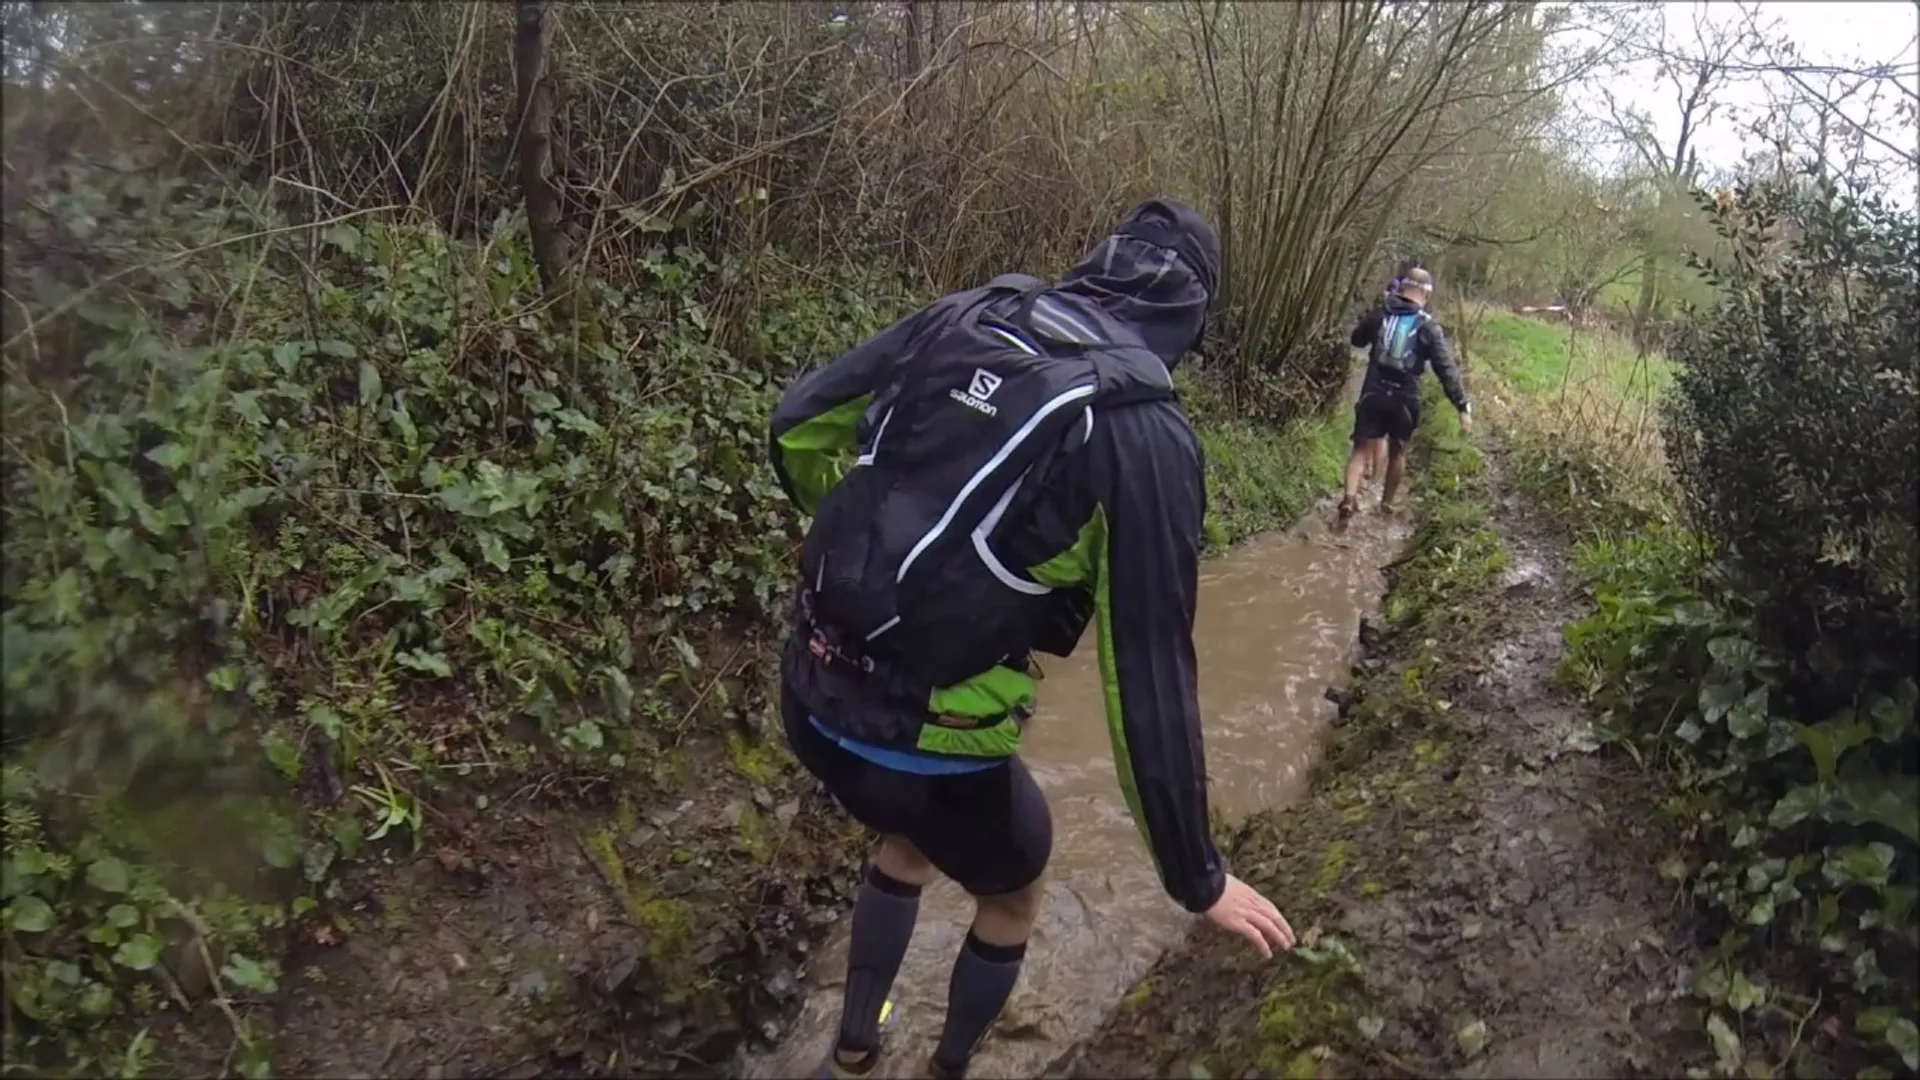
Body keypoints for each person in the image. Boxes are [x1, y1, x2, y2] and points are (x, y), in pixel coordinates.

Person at [767, 199, 1296, 1080]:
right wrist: (1195, 876)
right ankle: (945, 1070)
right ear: (1189, 318)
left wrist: (868, 562)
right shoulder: (1143, 433)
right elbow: (1148, 672)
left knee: (909, 841)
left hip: (810, 689)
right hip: (930, 746)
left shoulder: (969, 313)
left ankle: (852, 1053)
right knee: (1014, 890)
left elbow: (795, 425)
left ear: (1102, 259)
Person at [1338, 266, 1471, 519]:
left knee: (1360, 449)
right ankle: (1386, 505)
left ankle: (1349, 498)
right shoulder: (1428, 328)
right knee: (1398, 451)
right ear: (1427, 296)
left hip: (1373, 391)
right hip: (1406, 398)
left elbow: (1356, 340)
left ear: (1401, 288)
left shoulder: (1381, 315)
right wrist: (1462, 406)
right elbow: (1446, 369)